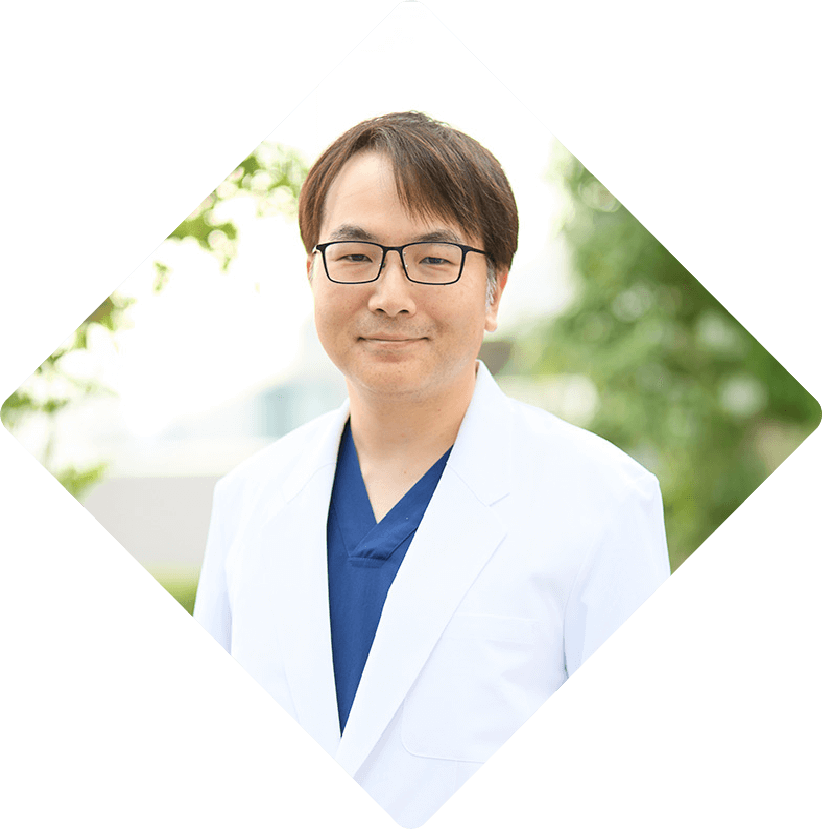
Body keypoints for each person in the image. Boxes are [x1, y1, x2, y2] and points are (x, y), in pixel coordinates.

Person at [193, 111, 670, 828]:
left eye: (434, 258)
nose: (390, 294)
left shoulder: (603, 500)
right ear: (313, 273)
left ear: (494, 291)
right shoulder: (248, 499)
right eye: (355, 255)